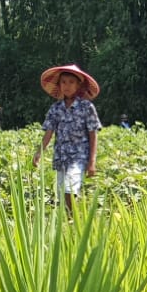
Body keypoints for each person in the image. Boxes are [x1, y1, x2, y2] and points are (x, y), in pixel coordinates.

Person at [32, 64, 101, 214]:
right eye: (63, 82)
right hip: (61, 157)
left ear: (78, 85)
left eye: (71, 82)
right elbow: (48, 133)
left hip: (79, 156)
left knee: (70, 189)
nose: (67, 86)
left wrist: (92, 162)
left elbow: (93, 134)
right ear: (59, 85)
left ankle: (71, 221)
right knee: (63, 193)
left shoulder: (86, 107)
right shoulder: (55, 109)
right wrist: (39, 153)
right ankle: (70, 221)